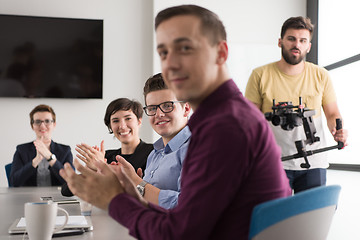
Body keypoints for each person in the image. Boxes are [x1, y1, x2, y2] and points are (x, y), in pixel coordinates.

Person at [60, 5, 290, 239]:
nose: (170, 64)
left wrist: (114, 200)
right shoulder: (221, 117)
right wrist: (131, 191)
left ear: (220, 53)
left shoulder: (226, 126)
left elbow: (179, 233)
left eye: (185, 48)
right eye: (164, 53)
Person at [245, 16, 348, 193]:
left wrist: (338, 131)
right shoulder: (260, 75)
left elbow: (332, 114)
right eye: (291, 39)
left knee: (311, 218)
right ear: (280, 42)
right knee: (275, 218)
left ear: (308, 45)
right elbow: (249, 119)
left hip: (313, 161)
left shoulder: (320, 75)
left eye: (302, 41)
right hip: (273, 162)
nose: (296, 45)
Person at [61, 98, 154, 196]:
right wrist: (90, 171)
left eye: (128, 118)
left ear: (139, 121)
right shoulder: (107, 157)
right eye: (115, 121)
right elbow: (66, 190)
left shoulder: (154, 153)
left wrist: (104, 171)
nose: (122, 126)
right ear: (110, 126)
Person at [10, 104, 73, 187]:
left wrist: (50, 157)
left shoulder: (65, 150)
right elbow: (14, 183)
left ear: (54, 124)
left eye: (47, 121)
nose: (42, 126)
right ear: (32, 126)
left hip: (58, 198)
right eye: (37, 122)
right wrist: (36, 160)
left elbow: (71, 182)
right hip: (28, 198)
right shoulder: (21, 150)